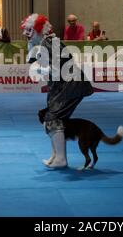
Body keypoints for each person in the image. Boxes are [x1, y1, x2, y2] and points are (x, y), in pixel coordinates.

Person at [21, 13, 93, 169]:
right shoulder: (43, 43)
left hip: (71, 85)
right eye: (25, 30)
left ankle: (60, 158)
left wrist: (40, 70)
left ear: (38, 30)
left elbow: (54, 69)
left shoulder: (50, 42)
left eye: (29, 31)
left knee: (53, 118)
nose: (25, 34)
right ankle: (56, 156)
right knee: (50, 118)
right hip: (62, 86)